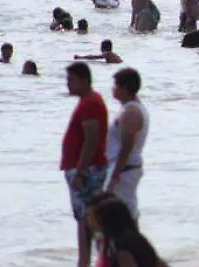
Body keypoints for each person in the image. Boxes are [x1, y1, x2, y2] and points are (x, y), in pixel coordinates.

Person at [62, 61, 109, 267]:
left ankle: (88, 262)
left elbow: (91, 139)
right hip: (83, 168)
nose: (68, 84)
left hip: (87, 170)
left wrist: (80, 171)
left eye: (71, 80)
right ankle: (86, 262)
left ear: (84, 80)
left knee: (88, 219)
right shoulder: (87, 101)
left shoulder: (90, 103)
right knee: (86, 219)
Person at [105, 67, 148, 222]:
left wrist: (115, 175)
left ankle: (132, 237)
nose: (113, 89)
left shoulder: (131, 112)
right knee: (123, 212)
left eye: (116, 85)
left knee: (124, 214)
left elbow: (127, 146)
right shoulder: (128, 108)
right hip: (124, 168)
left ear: (125, 88)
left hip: (125, 169)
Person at [87, 196, 170, 267]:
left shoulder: (119, 244)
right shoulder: (136, 238)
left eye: (90, 215)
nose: (88, 219)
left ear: (103, 219)